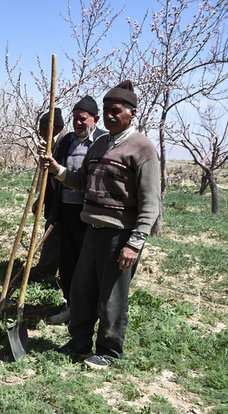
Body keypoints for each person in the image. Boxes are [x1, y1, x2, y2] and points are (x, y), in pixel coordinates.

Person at [40, 80, 160, 369]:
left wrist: (135, 243)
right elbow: (82, 182)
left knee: (111, 299)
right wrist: (57, 170)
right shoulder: (100, 144)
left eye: (115, 111)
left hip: (120, 235)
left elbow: (150, 203)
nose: (109, 116)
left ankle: (108, 351)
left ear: (132, 113)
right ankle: (79, 342)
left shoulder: (142, 149)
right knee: (82, 292)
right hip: (91, 231)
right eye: (106, 111)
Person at [43, 96, 108, 325]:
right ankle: (71, 306)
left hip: (89, 215)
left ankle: (90, 312)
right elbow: (55, 174)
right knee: (67, 263)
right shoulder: (67, 140)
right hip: (65, 212)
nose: (78, 123)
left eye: (83, 119)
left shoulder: (103, 141)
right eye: (75, 119)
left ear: (95, 119)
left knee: (88, 265)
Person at [29, 109, 65, 284]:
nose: (39, 132)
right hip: (52, 198)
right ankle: (47, 268)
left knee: (53, 235)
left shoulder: (65, 141)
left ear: (48, 127)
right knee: (52, 233)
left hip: (64, 200)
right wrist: (39, 200)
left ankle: (45, 271)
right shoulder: (52, 143)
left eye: (41, 128)